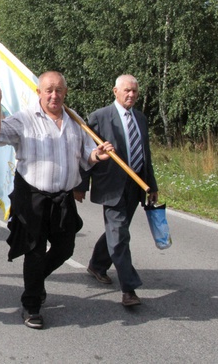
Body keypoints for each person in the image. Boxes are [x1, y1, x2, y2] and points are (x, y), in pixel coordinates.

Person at [0, 71, 114, 330]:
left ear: (65, 92)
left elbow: (87, 154)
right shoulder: (25, 119)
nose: (54, 95)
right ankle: (31, 306)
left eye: (59, 90)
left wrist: (97, 155)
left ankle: (34, 283)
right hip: (32, 197)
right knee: (35, 252)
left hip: (62, 198)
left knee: (65, 249)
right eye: (49, 90)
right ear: (39, 92)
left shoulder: (75, 120)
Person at [74, 74, 159, 307]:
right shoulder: (100, 117)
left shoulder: (140, 118)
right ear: (115, 91)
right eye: (127, 91)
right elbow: (88, 153)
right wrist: (81, 185)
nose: (131, 95)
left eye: (134, 92)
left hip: (135, 186)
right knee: (120, 234)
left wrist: (152, 186)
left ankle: (97, 264)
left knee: (117, 231)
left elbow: (145, 155)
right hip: (111, 185)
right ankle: (129, 289)